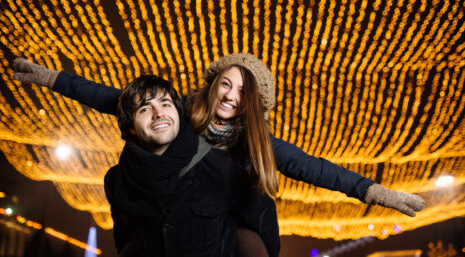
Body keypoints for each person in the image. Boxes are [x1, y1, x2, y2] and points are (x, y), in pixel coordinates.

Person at [13, 54, 425, 254]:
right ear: (215, 83)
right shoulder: (179, 111)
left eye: (243, 91)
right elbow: (115, 98)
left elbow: (313, 168)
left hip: (229, 224)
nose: (231, 95)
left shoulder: (254, 141)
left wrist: (376, 192)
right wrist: (54, 78)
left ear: (254, 101)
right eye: (227, 84)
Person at [95, 74, 279, 256]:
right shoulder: (116, 181)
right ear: (131, 128)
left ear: (178, 113)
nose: (159, 114)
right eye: (144, 109)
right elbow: (126, 240)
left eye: (166, 104)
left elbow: (263, 224)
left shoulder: (220, 166)